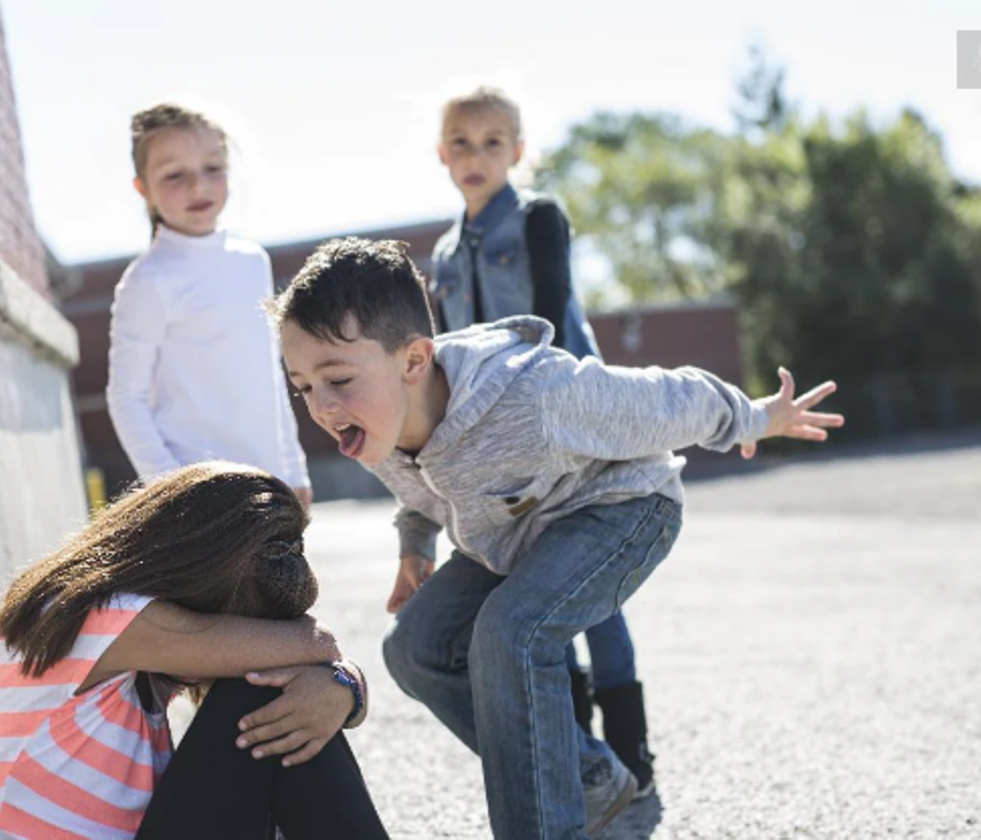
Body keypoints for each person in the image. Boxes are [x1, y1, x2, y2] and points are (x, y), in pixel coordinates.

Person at [270, 237, 842, 839]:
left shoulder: (534, 395)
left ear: (414, 361)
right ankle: (587, 776)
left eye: (336, 379)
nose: (323, 407)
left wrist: (755, 418)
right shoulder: (372, 421)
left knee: (511, 633)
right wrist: (416, 545)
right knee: (414, 647)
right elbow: (419, 491)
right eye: (303, 386)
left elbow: (672, 398)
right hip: (515, 533)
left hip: (621, 509)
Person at [0, 462, 388, 839]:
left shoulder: (124, 635)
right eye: (240, 623)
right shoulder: (102, 615)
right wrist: (336, 676)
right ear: (201, 574)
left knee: (283, 698)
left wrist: (343, 686)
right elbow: (319, 645)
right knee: (261, 690)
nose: (241, 636)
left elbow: (316, 658)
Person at [428, 85, 652, 795]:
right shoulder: (441, 253)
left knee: (593, 593)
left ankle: (632, 754)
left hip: (570, 426)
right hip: (495, 446)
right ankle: (583, 757)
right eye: (462, 142)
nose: (477, 155)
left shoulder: (537, 219)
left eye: (494, 142)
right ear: (442, 154)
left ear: (518, 152)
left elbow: (552, 315)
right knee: (535, 589)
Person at [107, 103, 311, 504]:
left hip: (270, 484)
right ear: (143, 188)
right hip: (201, 498)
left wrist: (293, 468)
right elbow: (125, 397)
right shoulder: (149, 280)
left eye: (212, 169)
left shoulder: (253, 262)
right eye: (174, 175)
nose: (198, 187)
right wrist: (170, 488)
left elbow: (269, 376)